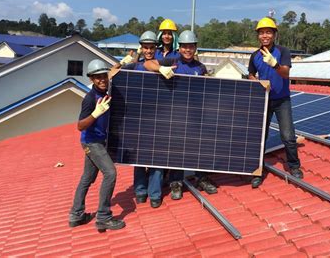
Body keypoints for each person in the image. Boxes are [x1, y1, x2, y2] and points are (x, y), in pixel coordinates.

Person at [143, 30, 218, 200]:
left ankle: (202, 178)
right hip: (176, 114)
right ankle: (176, 182)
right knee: (178, 148)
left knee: (199, 147)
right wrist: (161, 68)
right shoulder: (172, 60)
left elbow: (207, 88)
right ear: (180, 48)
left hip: (196, 114)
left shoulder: (200, 67)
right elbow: (148, 64)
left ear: (195, 48)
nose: (187, 50)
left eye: (191, 46)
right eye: (184, 47)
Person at [69, 57, 132, 232]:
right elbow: (80, 125)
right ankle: (103, 217)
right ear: (91, 79)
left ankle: (76, 215)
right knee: (110, 173)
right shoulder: (90, 99)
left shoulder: (105, 88)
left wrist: (123, 62)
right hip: (92, 142)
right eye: (98, 77)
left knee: (87, 179)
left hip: (95, 142)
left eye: (104, 76)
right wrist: (95, 114)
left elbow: (111, 72)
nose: (102, 79)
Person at [248, 16, 303, 188]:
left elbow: (286, 74)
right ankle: (258, 171)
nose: (265, 36)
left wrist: (275, 64)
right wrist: (257, 83)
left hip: (282, 100)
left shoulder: (283, 51)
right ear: (258, 36)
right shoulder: (254, 56)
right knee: (260, 137)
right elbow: (251, 74)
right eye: (262, 33)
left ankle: (294, 166)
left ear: (274, 35)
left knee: (288, 135)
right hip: (264, 101)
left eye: (268, 32)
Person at [123, 31, 164, 208]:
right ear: (141, 48)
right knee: (139, 156)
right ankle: (140, 191)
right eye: (145, 47)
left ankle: (154, 194)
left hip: (160, 117)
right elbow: (112, 74)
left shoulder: (163, 64)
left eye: (151, 47)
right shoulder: (135, 66)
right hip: (139, 117)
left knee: (158, 156)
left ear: (156, 48)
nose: (148, 50)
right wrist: (122, 62)